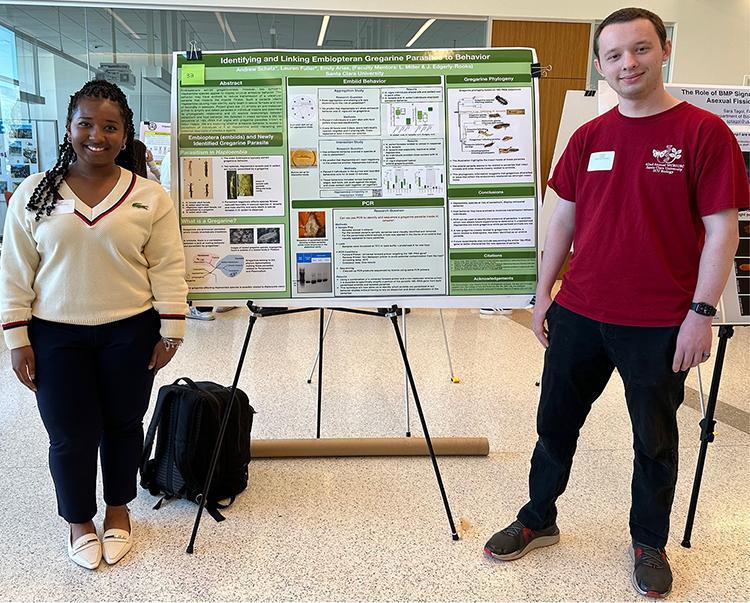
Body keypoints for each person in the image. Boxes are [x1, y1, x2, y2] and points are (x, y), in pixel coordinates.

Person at [483, 8, 748, 599]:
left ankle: (648, 541)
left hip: (659, 323)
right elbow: (563, 222)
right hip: (579, 312)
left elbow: (721, 229)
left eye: (641, 49)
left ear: (664, 51)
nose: (628, 63)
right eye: (614, 55)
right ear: (600, 65)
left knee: (653, 439)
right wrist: (543, 294)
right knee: (554, 425)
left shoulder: (703, 133)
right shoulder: (589, 137)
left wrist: (701, 315)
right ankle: (539, 516)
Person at [0, 80, 188, 570]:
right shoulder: (33, 194)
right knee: (69, 433)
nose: (96, 135)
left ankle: (119, 509)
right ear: (69, 129)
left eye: (110, 126)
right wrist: (17, 339)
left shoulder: (149, 197)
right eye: (86, 124)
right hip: (55, 335)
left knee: (123, 425)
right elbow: (15, 270)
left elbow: (167, 265)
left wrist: (171, 330)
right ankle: (79, 520)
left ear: (125, 136)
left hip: (130, 331)